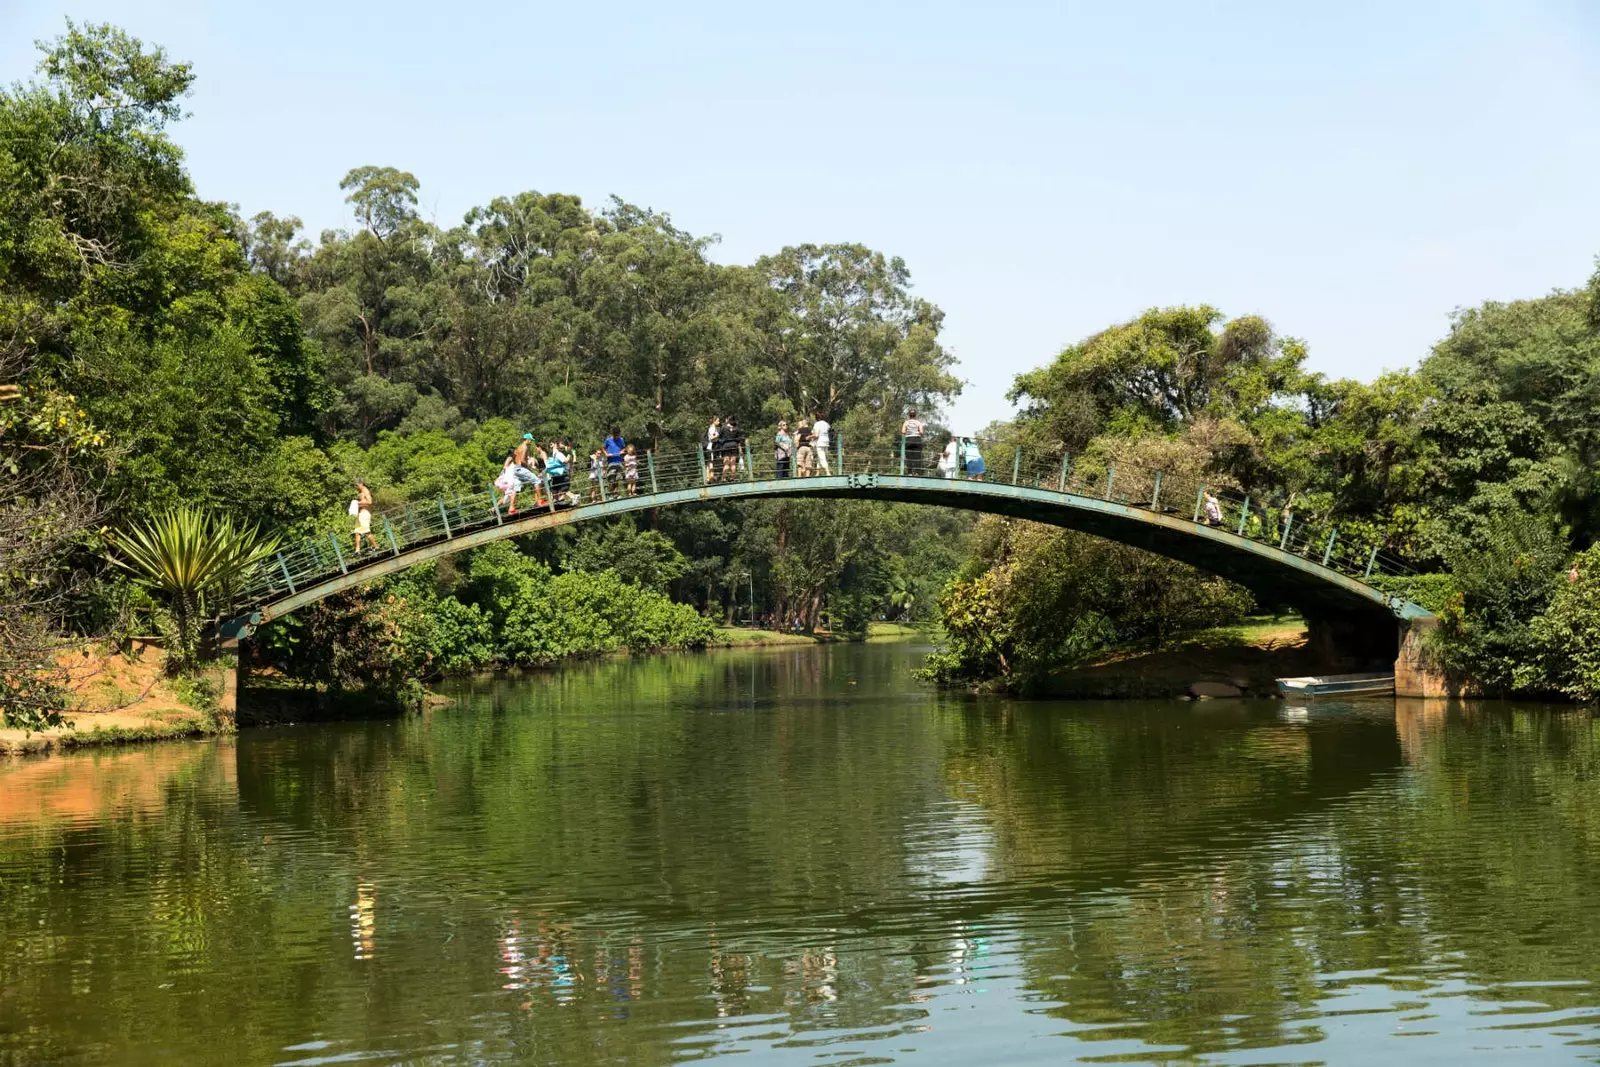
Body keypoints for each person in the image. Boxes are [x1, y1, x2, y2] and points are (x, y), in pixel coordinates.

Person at [353, 479, 377, 552]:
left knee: (366, 532)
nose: (356, 487)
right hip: (360, 514)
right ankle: (357, 551)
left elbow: (369, 502)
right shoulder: (360, 492)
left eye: (357, 485)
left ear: (361, 483)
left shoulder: (365, 491)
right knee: (357, 532)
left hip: (365, 513)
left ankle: (376, 546)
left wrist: (358, 503)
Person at [544, 441, 571, 505]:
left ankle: (557, 501)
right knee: (560, 488)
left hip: (558, 473)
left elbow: (564, 462)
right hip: (559, 474)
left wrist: (568, 456)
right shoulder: (556, 453)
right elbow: (564, 461)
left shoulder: (555, 454)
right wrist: (568, 457)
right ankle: (559, 501)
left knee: (558, 489)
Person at [901, 408, 925, 473]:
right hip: (917, 439)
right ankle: (917, 472)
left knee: (909, 456)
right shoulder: (918, 422)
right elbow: (921, 432)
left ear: (909, 415)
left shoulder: (906, 422)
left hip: (908, 439)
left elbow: (903, 431)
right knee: (917, 456)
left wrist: (908, 432)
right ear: (915, 415)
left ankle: (910, 472)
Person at [603, 427, 626, 493]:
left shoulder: (621, 439)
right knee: (611, 479)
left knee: (618, 478)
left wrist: (622, 451)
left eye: (618, 435)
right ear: (613, 434)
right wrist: (606, 454)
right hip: (611, 462)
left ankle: (616, 493)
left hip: (619, 461)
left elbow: (624, 448)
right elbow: (603, 448)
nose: (617, 436)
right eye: (615, 435)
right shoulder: (608, 440)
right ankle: (610, 493)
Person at [703, 416, 721, 482]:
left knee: (708, 463)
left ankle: (708, 478)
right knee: (711, 462)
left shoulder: (711, 428)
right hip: (710, 447)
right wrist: (718, 434)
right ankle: (711, 477)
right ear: (714, 421)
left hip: (708, 447)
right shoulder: (712, 428)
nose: (719, 422)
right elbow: (711, 438)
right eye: (718, 421)